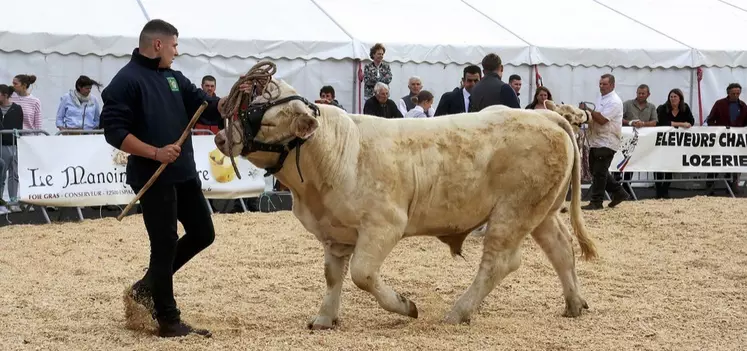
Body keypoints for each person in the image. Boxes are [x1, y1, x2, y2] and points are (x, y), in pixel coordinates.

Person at [100, 19, 238, 338]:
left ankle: (146, 288)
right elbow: (115, 133)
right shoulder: (125, 81)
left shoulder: (174, 78)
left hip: (184, 173)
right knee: (164, 245)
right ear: (158, 45)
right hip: (153, 175)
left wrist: (235, 96)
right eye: (174, 45)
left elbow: (208, 107)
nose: (177, 51)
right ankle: (168, 319)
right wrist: (155, 152)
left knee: (203, 232)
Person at [580, 74, 629, 210]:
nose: (601, 86)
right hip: (596, 139)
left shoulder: (614, 101)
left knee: (600, 172)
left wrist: (588, 110)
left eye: (604, 84)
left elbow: (602, 119)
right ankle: (619, 193)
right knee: (595, 170)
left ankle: (596, 201)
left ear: (612, 85)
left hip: (607, 140)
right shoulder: (601, 98)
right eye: (600, 84)